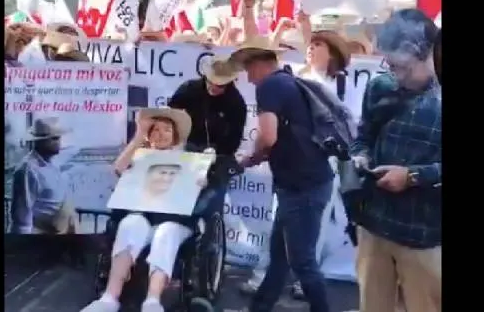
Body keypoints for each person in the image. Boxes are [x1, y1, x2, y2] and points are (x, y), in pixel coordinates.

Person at [231, 36, 334, 312]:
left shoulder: (270, 86)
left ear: (260, 63)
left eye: (248, 69)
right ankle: (259, 308)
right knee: (280, 256)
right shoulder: (288, 81)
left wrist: (249, 159)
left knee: (302, 262)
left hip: (302, 186)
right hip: (304, 183)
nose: (249, 78)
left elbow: (268, 137)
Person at [349, 9, 441, 312]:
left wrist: (413, 176)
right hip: (373, 228)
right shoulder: (380, 86)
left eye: (403, 68)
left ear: (429, 54)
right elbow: (363, 136)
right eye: (390, 65)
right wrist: (360, 156)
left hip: (425, 237)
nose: (396, 76)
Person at [81, 107, 205, 312]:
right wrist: (139, 135)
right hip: (143, 217)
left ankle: (152, 301)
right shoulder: (139, 157)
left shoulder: (188, 158)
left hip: (175, 221)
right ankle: (110, 298)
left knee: (165, 232)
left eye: (167, 130)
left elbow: (200, 183)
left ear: (175, 134)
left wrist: (200, 180)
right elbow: (118, 168)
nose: (161, 134)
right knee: (131, 223)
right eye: (155, 129)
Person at [167, 55, 247, 216]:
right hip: (186, 151)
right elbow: (169, 115)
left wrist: (217, 152)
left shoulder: (236, 103)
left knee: (212, 207)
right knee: (178, 203)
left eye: (220, 85)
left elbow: (235, 138)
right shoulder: (189, 89)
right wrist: (175, 142)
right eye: (210, 81)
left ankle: (211, 228)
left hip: (217, 158)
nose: (213, 87)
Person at [10, 118, 77, 234]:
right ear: (41, 142)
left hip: (61, 232)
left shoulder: (54, 164)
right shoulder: (28, 170)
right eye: (54, 139)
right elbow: (22, 218)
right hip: (44, 236)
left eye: (59, 138)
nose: (59, 142)